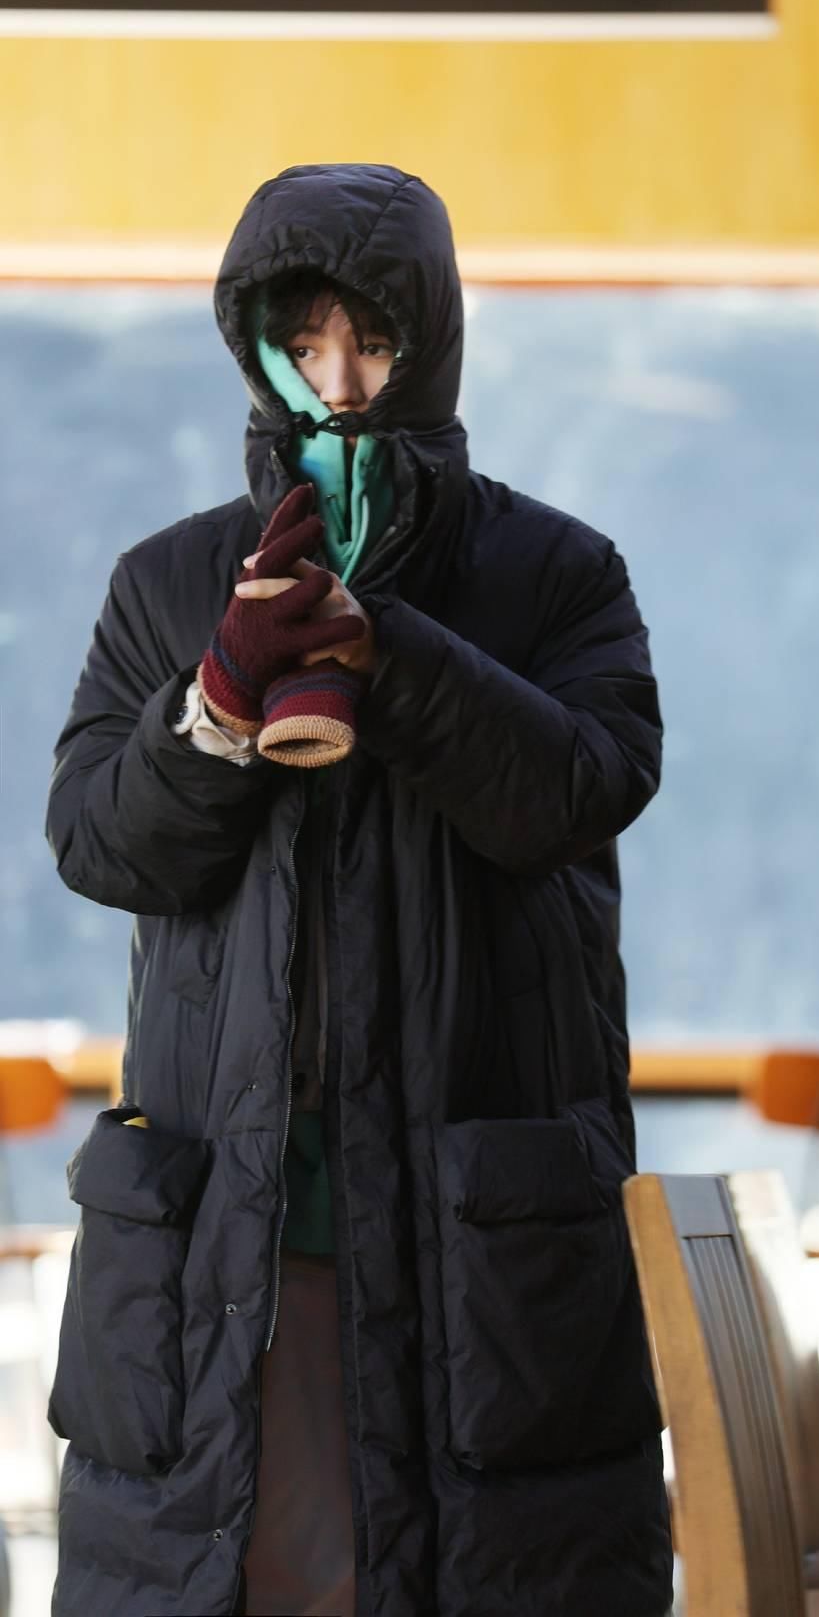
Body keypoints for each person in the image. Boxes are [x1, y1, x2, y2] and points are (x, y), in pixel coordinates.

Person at [45, 163, 672, 1617]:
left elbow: (581, 792)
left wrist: (386, 652)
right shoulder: (167, 582)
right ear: (256, 339)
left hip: (472, 1233)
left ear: (434, 338)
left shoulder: (559, 575)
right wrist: (212, 704)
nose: (338, 378)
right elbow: (99, 842)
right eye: (306, 338)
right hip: (231, 1224)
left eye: (374, 340)